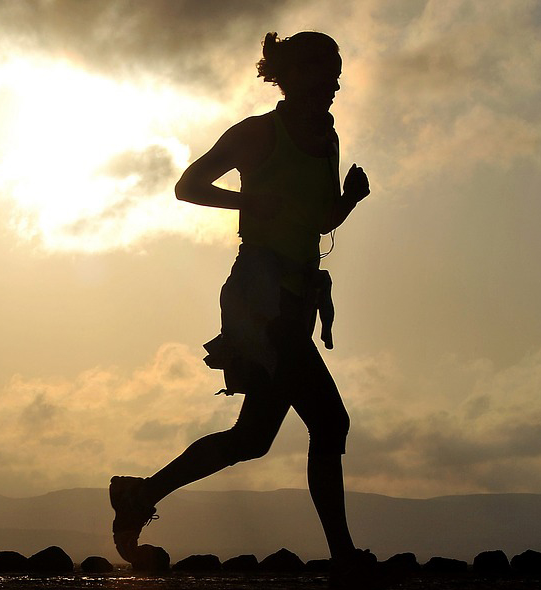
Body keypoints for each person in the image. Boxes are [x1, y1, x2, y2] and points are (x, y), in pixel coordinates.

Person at [110, 31, 376, 583]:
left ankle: (141, 493)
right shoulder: (259, 134)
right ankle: (345, 558)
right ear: (288, 75)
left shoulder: (327, 140)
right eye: (321, 71)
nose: (332, 83)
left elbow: (317, 221)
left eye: (337, 72)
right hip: (261, 300)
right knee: (329, 421)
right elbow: (188, 186)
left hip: (299, 300)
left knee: (252, 440)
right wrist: (248, 199)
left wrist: (348, 201)